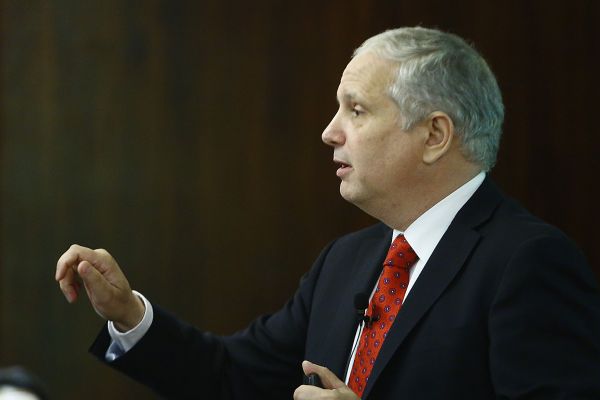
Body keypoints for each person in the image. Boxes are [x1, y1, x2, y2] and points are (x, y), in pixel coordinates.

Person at [55, 27, 600, 399]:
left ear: (434, 135)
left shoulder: (528, 262)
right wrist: (129, 313)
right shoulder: (347, 260)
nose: (329, 132)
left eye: (356, 110)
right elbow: (234, 378)